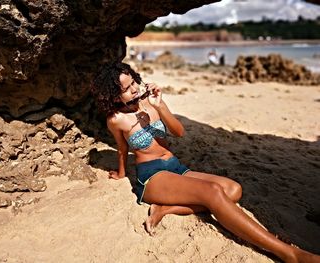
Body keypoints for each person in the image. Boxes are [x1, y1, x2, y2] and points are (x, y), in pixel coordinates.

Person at [92, 62, 319, 263]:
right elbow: (122, 149)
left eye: (134, 82)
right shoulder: (116, 120)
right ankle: (289, 254)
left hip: (176, 167)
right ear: (114, 95)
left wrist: (160, 106)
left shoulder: (152, 104)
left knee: (233, 189)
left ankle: (166, 208)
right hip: (153, 176)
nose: (134, 89)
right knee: (212, 192)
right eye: (126, 89)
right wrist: (121, 173)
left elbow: (179, 133)